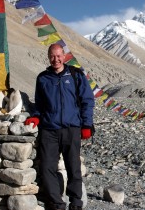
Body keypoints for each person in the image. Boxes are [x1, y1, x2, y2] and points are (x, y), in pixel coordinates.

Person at [25, 44, 95, 210]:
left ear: (64, 56)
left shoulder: (76, 75)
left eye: (58, 56)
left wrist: (86, 124)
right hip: (49, 130)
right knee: (47, 167)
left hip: (72, 129)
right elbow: (40, 104)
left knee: (74, 168)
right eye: (52, 56)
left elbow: (87, 100)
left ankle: (76, 203)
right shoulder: (42, 78)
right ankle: (57, 204)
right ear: (48, 57)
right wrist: (35, 117)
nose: (55, 59)